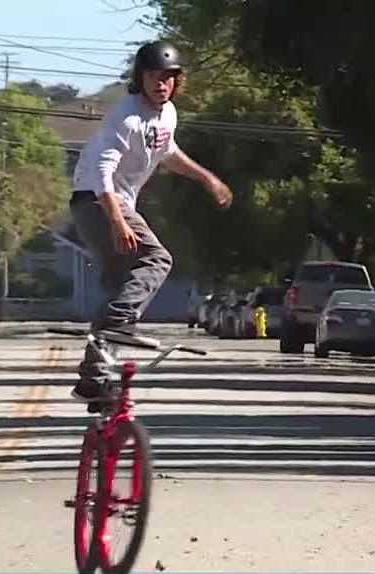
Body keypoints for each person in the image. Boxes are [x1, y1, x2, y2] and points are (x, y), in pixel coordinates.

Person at [69, 40, 233, 410]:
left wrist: (207, 179)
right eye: (153, 77)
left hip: (105, 206)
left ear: (177, 81)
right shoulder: (126, 117)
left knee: (120, 283)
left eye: (168, 78)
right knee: (156, 260)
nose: (161, 84)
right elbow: (101, 172)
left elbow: (168, 153)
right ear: (140, 78)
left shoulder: (167, 115)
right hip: (99, 201)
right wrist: (116, 221)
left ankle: (95, 380)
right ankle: (117, 326)